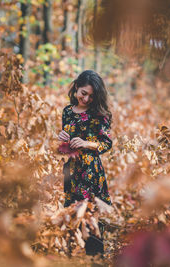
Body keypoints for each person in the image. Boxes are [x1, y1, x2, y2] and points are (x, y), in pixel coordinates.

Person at [58, 70, 113, 255]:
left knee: (91, 216)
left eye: (91, 95)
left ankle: (96, 258)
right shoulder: (67, 111)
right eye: (84, 93)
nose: (87, 99)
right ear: (76, 87)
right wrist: (61, 137)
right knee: (71, 216)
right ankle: (71, 257)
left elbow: (106, 143)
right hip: (71, 170)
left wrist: (86, 143)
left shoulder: (100, 114)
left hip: (90, 172)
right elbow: (65, 144)